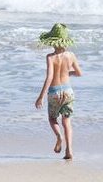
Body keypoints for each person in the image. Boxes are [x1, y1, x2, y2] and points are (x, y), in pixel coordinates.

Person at [35, 23, 82, 160]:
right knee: (67, 121)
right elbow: (79, 73)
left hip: (54, 92)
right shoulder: (71, 55)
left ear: (53, 42)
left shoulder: (50, 57)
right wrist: (68, 73)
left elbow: (49, 77)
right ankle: (69, 150)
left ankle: (58, 136)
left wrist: (41, 97)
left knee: (52, 118)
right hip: (68, 91)